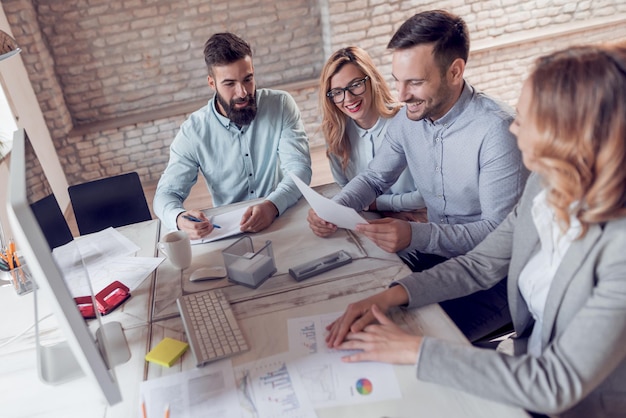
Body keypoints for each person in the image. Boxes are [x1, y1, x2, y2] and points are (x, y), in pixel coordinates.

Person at [327, 43, 626, 417]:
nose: (513, 128)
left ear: (572, 136)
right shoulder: (545, 188)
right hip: (523, 359)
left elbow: (555, 384)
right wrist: (392, 295)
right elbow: (479, 264)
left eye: (527, 118)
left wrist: (414, 349)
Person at [308, 10, 529, 342]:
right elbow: (373, 178)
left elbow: (497, 238)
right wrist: (333, 208)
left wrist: (415, 235)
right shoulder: (406, 121)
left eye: (415, 82)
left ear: (455, 71)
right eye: (397, 79)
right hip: (439, 259)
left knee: (395, 336)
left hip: (497, 280)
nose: (400, 95)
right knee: (350, 302)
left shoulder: (498, 131)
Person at [154, 32, 312, 239]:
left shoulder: (281, 105)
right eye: (229, 84)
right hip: (230, 233)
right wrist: (178, 218)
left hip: (284, 213)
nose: (242, 92)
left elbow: (299, 169)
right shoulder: (193, 132)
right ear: (212, 83)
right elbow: (166, 194)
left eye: (248, 79)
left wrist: (272, 205)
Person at [320, 46, 426, 220]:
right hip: (369, 220)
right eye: (337, 92)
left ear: (372, 80)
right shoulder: (336, 133)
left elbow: (425, 195)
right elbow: (345, 187)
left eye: (355, 85)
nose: (348, 98)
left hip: (418, 221)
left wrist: (373, 203)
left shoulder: (410, 122)